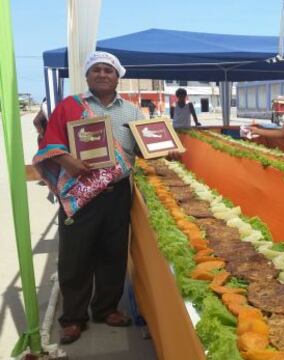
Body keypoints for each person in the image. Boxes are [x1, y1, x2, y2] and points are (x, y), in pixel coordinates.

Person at [32, 51, 180, 345]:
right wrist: (67, 162)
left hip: (117, 193)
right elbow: (51, 143)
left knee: (113, 254)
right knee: (76, 258)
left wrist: (164, 148)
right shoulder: (70, 106)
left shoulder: (132, 112)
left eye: (108, 70)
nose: (102, 74)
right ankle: (73, 319)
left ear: (117, 77)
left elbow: (140, 149)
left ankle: (106, 308)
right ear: (87, 76)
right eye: (96, 70)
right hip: (81, 192)